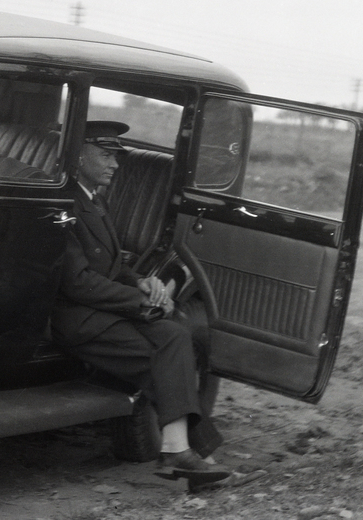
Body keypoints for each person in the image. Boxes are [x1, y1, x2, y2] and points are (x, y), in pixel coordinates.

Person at [52, 121, 230, 485]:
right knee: (169, 352)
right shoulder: (68, 205)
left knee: (172, 340)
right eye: (105, 155)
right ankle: (190, 456)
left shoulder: (92, 200)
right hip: (76, 320)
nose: (115, 165)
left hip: (99, 313)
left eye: (115, 157)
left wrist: (143, 282)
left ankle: (183, 454)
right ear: (78, 155)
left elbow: (111, 265)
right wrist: (141, 302)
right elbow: (77, 283)